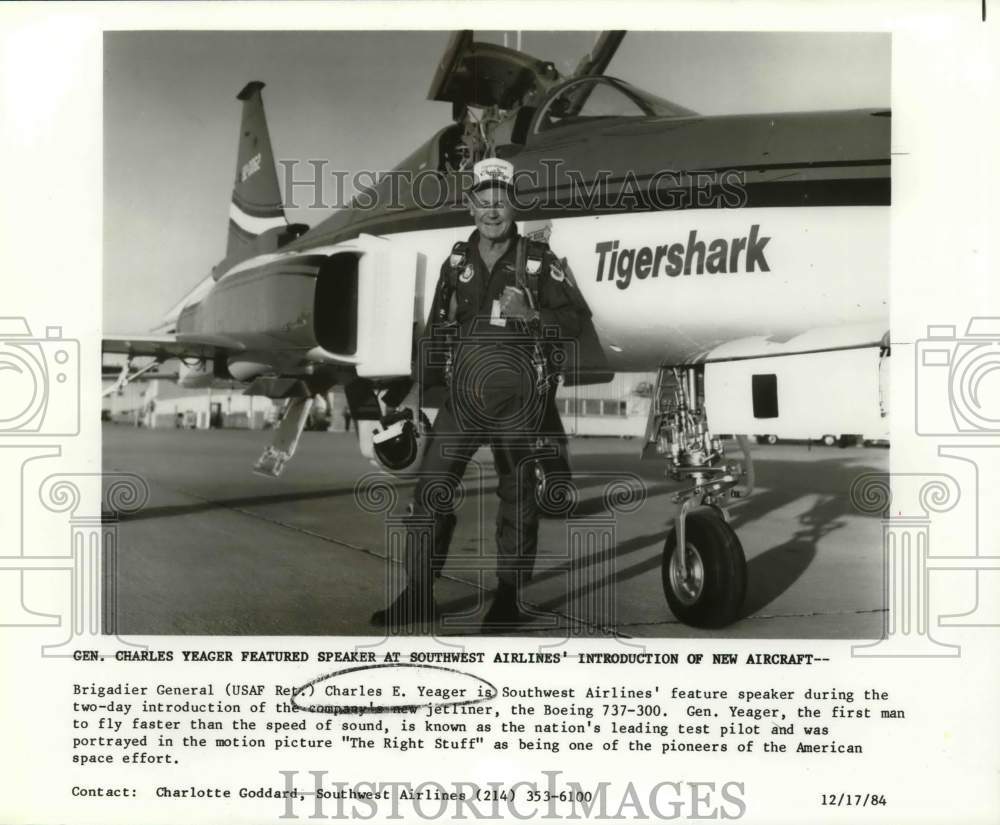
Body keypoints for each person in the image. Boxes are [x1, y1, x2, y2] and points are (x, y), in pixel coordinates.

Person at [371, 157, 590, 631]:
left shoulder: (538, 262)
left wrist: (532, 315)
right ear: (470, 205)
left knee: (517, 499)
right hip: (461, 400)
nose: (493, 212)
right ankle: (418, 594)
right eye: (484, 201)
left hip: (517, 401)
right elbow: (437, 330)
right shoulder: (456, 263)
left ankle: (508, 598)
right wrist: (416, 398)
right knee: (430, 490)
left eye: (502, 202)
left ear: (513, 206)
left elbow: (574, 322)